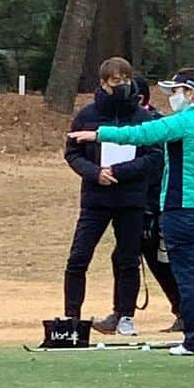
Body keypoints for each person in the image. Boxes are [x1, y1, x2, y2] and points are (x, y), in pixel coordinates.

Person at [69, 68, 194, 358]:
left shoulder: (183, 123)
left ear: (190, 93)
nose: (173, 97)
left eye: (175, 92)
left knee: (188, 274)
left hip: (181, 207)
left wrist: (98, 133)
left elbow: (142, 134)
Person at [63, 57, 162, 336]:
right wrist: (95, 173)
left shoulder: (143, 118)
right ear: (103, 83)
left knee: (128, 258)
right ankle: (71, 317)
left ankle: (125, 315)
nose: (121, 85)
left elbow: (154, 157)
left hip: (131, 198)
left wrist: (121, 171)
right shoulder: (87, 115)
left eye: (126, 79)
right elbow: (72, 152)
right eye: (115, 80)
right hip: (96, 198)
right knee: (79, 257)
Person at [134, 76, 182, 332]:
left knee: (162, 260)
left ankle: (184, 309)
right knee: (127, 257)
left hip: (154, 204)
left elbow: (158, 169)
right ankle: (123, 313)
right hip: (133, 203)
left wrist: (152, 206)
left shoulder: (158, 125)